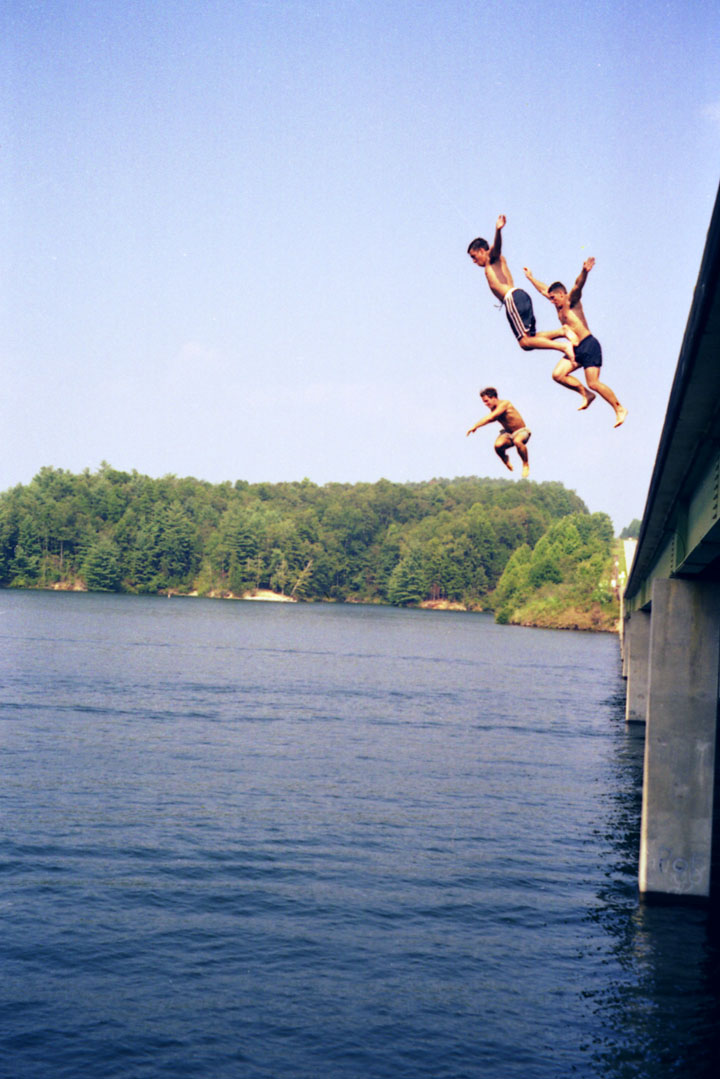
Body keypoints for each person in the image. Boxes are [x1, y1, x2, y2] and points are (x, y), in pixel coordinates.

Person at [524, 258, 628, 427]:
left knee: (593, 382)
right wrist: (530, 277)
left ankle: (619, 408)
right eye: (550, 299)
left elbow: (577, 286)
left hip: (588, 345)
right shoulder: (557, 305)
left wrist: (585, 272)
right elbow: (544, 289)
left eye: (553, 298)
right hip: (575, 348)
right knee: (558, 375)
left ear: (561, 294)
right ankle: (586, 394)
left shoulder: (571, 301)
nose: (551, 301)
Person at [467, 215, 573, 361]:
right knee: (530, 340)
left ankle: (563, 346)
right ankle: (562, 331)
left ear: (481, 250)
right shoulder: (493, 262)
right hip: (520, 297)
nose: (473, 261)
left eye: (473, 256)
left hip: (512, 298)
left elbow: (496, 248)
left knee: (524, 342)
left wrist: (498, 231)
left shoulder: (491, 259)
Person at [466, 387, 531, 477]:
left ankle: (525, 464)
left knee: (517, 441)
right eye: (484, 402)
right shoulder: (494, 409)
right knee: (497, 446)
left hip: (521, 431)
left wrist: (475, 426)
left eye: (486, 401)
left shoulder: (505, 404)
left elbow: (491, 417)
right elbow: (493, 418)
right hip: (508, 433)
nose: (485, 404)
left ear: (493, 397)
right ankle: (505, 458)